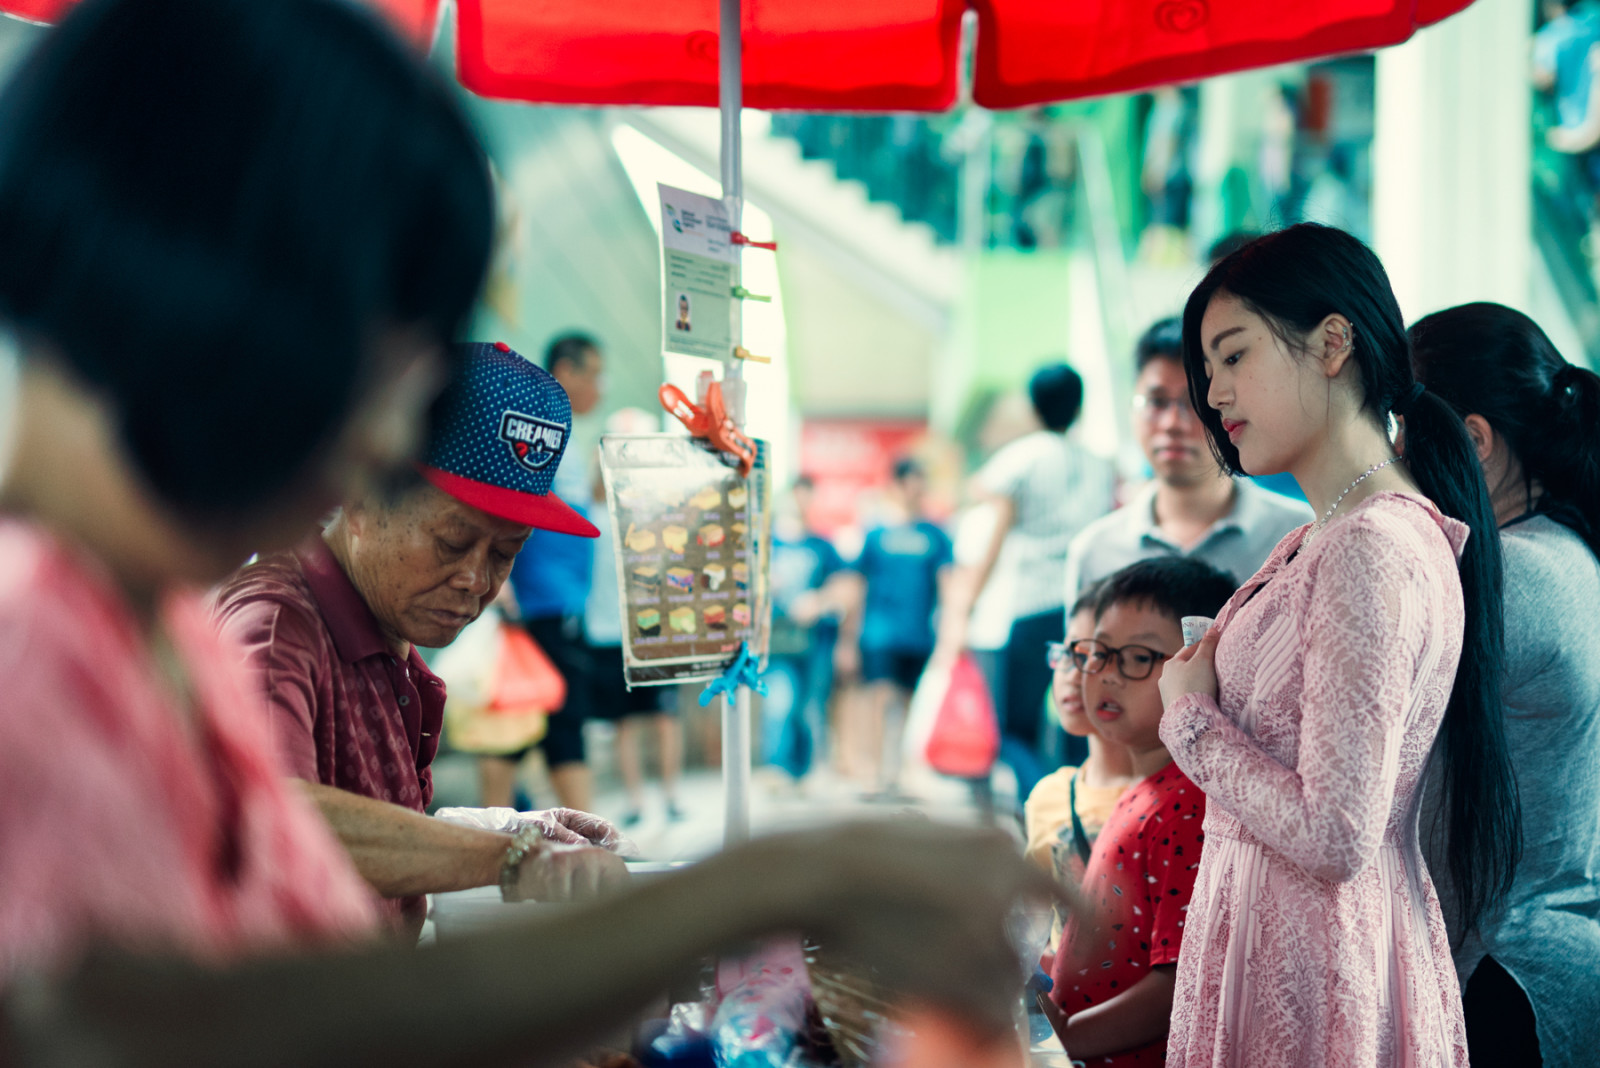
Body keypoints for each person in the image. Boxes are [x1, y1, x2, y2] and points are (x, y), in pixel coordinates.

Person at [0, 0, 1074, 1060]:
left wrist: (560, 858)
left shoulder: (148, 627)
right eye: (369, 371)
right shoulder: (31, 635)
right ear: (205, 288)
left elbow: (304, 978)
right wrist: (759, 886)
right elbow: (155, 1019)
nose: (370, 442)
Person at [1155, 224, 1522, 1067]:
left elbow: (1334, 833)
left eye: (1234, 356)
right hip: (1300, 943)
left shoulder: (1368, 546)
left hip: (1309, 961)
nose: (1214, 395)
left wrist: (1192, 725)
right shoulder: (1345, 535)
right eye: (1208, 371)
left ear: (1331, 343)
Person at [215, 342, 626, 940]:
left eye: (506, 554)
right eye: (451, 542)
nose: (475, 581)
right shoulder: (277, 627)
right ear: (362, 497)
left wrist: (495, 830)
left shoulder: (389, 632)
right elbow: (275, 814)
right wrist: (508, 859)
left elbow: (360, 818)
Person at [1410, 302, 1600, 1068]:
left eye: (1399, 434)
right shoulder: (1569, 550)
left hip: (1506, 971)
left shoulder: (1512, 577)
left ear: (1474, 443)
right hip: (1549, 959)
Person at [1039, 558, 1236, 1064]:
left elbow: (1182, 979)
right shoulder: (1152, 790)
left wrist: (1073, 1038)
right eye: (1098, 653)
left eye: (1140, 657)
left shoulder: (1188, 804)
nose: (1107, 674)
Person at [1062, 317, 1310, 602]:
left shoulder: (1296, 536)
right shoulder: (1096, 552)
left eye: (1193, 403)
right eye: (1156, 402)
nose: (1171, 423)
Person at [961, 363, 1115, 796]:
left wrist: (968, 600)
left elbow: (988, 507)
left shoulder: (1024, 456)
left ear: (1033, 405)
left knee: (1015, 727)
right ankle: (1073, 811)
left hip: (1030, 607)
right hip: (1086, 610)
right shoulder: (1100, 463)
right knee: (1078, 723)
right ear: (1079, 404)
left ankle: (1037, 808)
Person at [496, 332, 608, 811]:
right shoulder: (536, 429)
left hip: (563, 600)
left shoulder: (569, 437)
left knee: (527, 720)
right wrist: (500, 584)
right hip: (538, 601)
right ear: (565, 370)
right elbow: (503, 505)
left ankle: (497, 824)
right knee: (550, 720)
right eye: (594, 374)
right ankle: (588, 839)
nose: (599, 387)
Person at [583, 407, 684, 826]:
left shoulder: (660, 510)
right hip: (607, 631)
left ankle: (670, 795)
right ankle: (637, 800)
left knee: (664, 716)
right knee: (625, 721)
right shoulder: (588, 515)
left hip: (654, 631)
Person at [1024, 581, 1134, 959]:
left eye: (1097, 656)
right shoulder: (1049, 795)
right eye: (1070, 654)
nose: (1074, 674)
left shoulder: (1175, 798)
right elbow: (1036, 923)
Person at [839, 458, 953, 798]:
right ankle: (871, 774)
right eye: (912, 481)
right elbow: (856, 589)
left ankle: (897, 773)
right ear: (898, 485)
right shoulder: (875, 535)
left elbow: (947, 585)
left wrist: (950, 632)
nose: (918, 489)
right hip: (879, 633)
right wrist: (847, 640)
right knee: (879, 699)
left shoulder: (936, 535)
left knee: (904, 704)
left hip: (917, 635)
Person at [761, 475, 852, 787]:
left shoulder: (823, 546)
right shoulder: (764, 543)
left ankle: (802, 772)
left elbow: (844, 588)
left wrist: (819, 601)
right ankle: (778, 769)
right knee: (779, 702)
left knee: (808, 707)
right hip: (775, 641)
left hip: (815, 642)